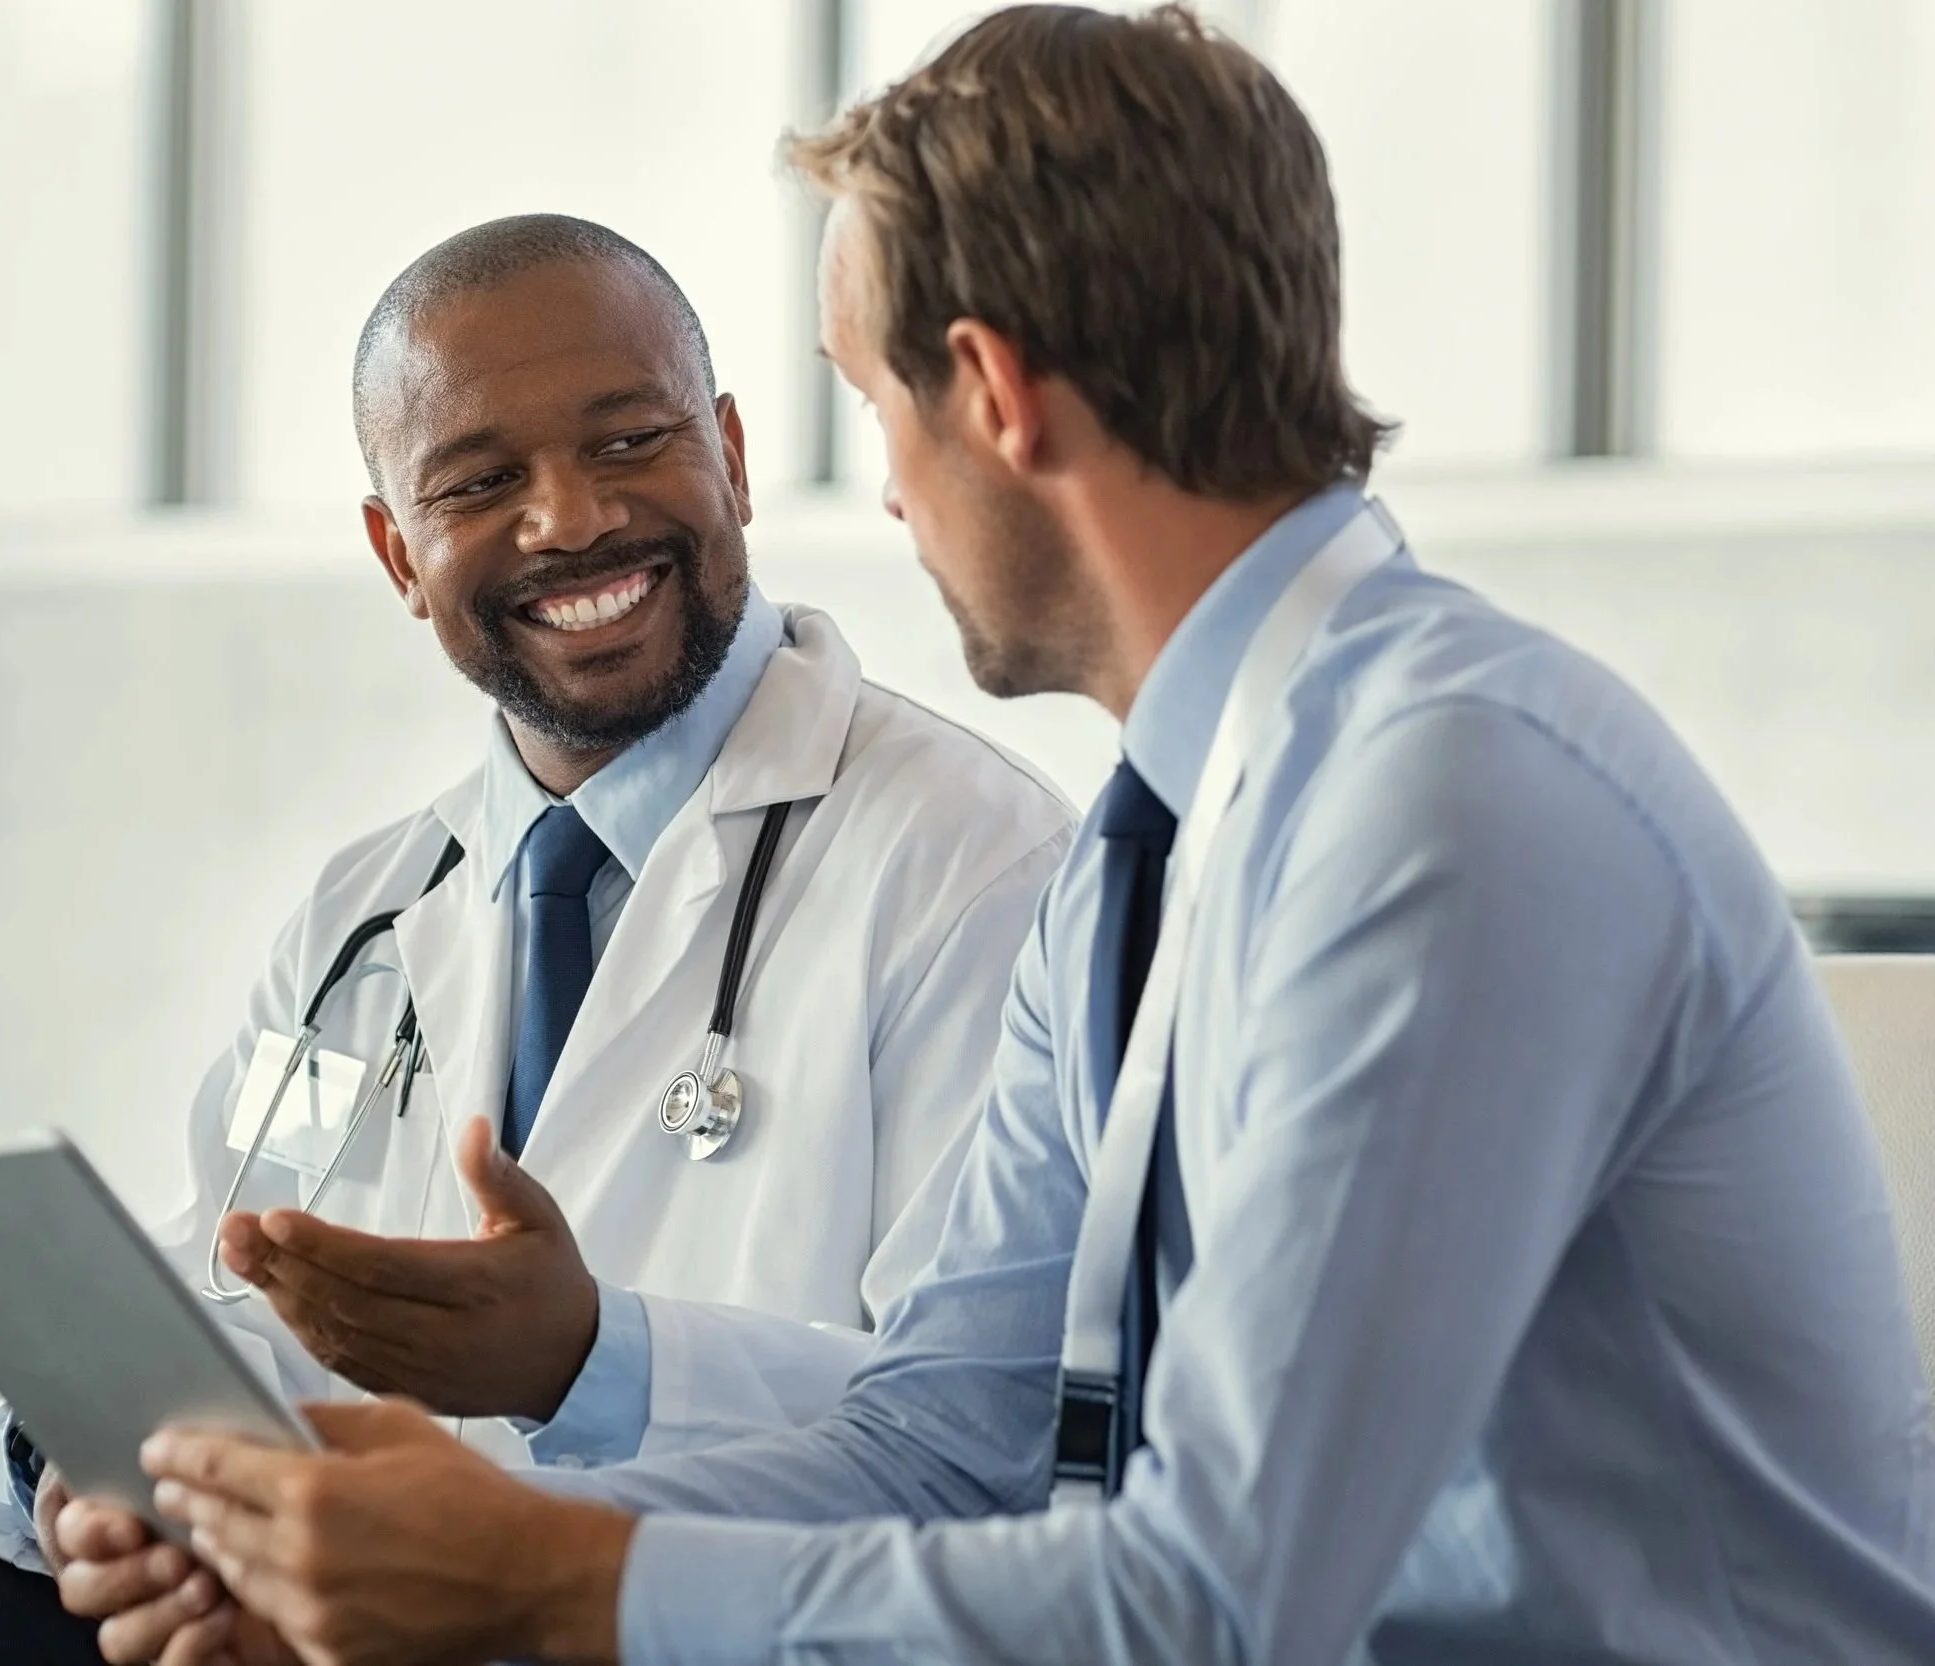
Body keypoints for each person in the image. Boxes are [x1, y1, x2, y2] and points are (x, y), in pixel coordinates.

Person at [125, 8, 1935, 1664]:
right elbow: (949, 1445)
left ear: (988, 392)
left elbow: (1216, 1600)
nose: (886, 494)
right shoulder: (1151, 856)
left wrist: (539, 1583)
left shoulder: (1445, 811)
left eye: (872, 403)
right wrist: (433, 1545)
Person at [0, 215, 1077, 1664]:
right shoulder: (369, 921)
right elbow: (235, 1282)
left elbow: (987, 1439)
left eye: (630, 440)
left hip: (670, 1619)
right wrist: (90, 1477)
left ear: (731, 455)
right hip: (342, 1607)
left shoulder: (973, 864)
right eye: (481, 482)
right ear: (400, 552)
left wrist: (591, 1361)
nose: (571, 518)